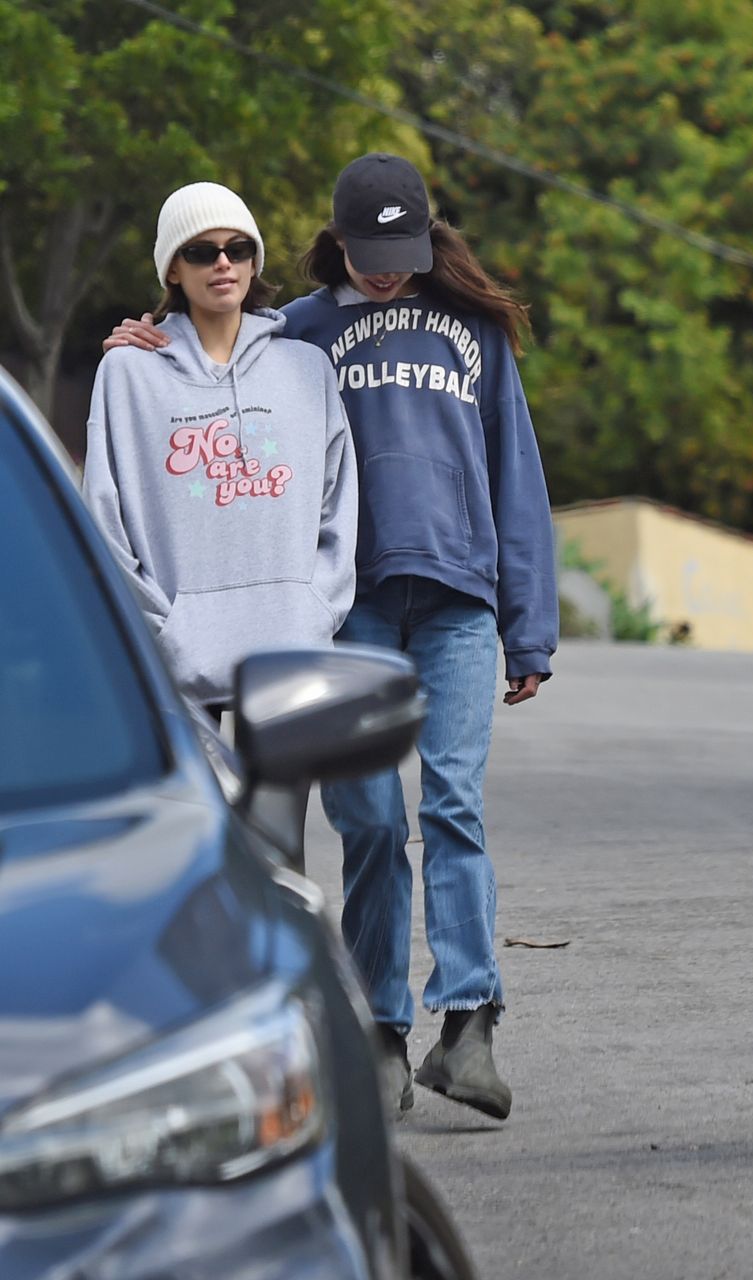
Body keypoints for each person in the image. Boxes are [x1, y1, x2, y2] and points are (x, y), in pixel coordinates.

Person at [107, 154, 558, 1117]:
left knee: (454, 805)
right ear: (338, 242)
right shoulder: (299, 335)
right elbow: (216, 361)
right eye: (371, 252)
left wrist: (532, 626)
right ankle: (380, 1032)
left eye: (405, 251)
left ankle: (470, 1021)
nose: (389, 270)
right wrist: (149, 336)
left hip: (459, 601)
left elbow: (515, 469)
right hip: (349, 611)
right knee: (368, 825)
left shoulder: (473, 328)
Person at [83, 181, 358, 812]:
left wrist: (316, 606)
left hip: (287, 641)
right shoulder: (127, 371)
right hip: (177, 650)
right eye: (202, 252)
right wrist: (159, 627)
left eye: (237, 247)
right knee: (199, 842)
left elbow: (338, 502)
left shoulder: (306, 368)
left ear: (255, 261)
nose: (223, 263)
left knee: (281, 843)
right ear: (173, 269)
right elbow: (104, 513)